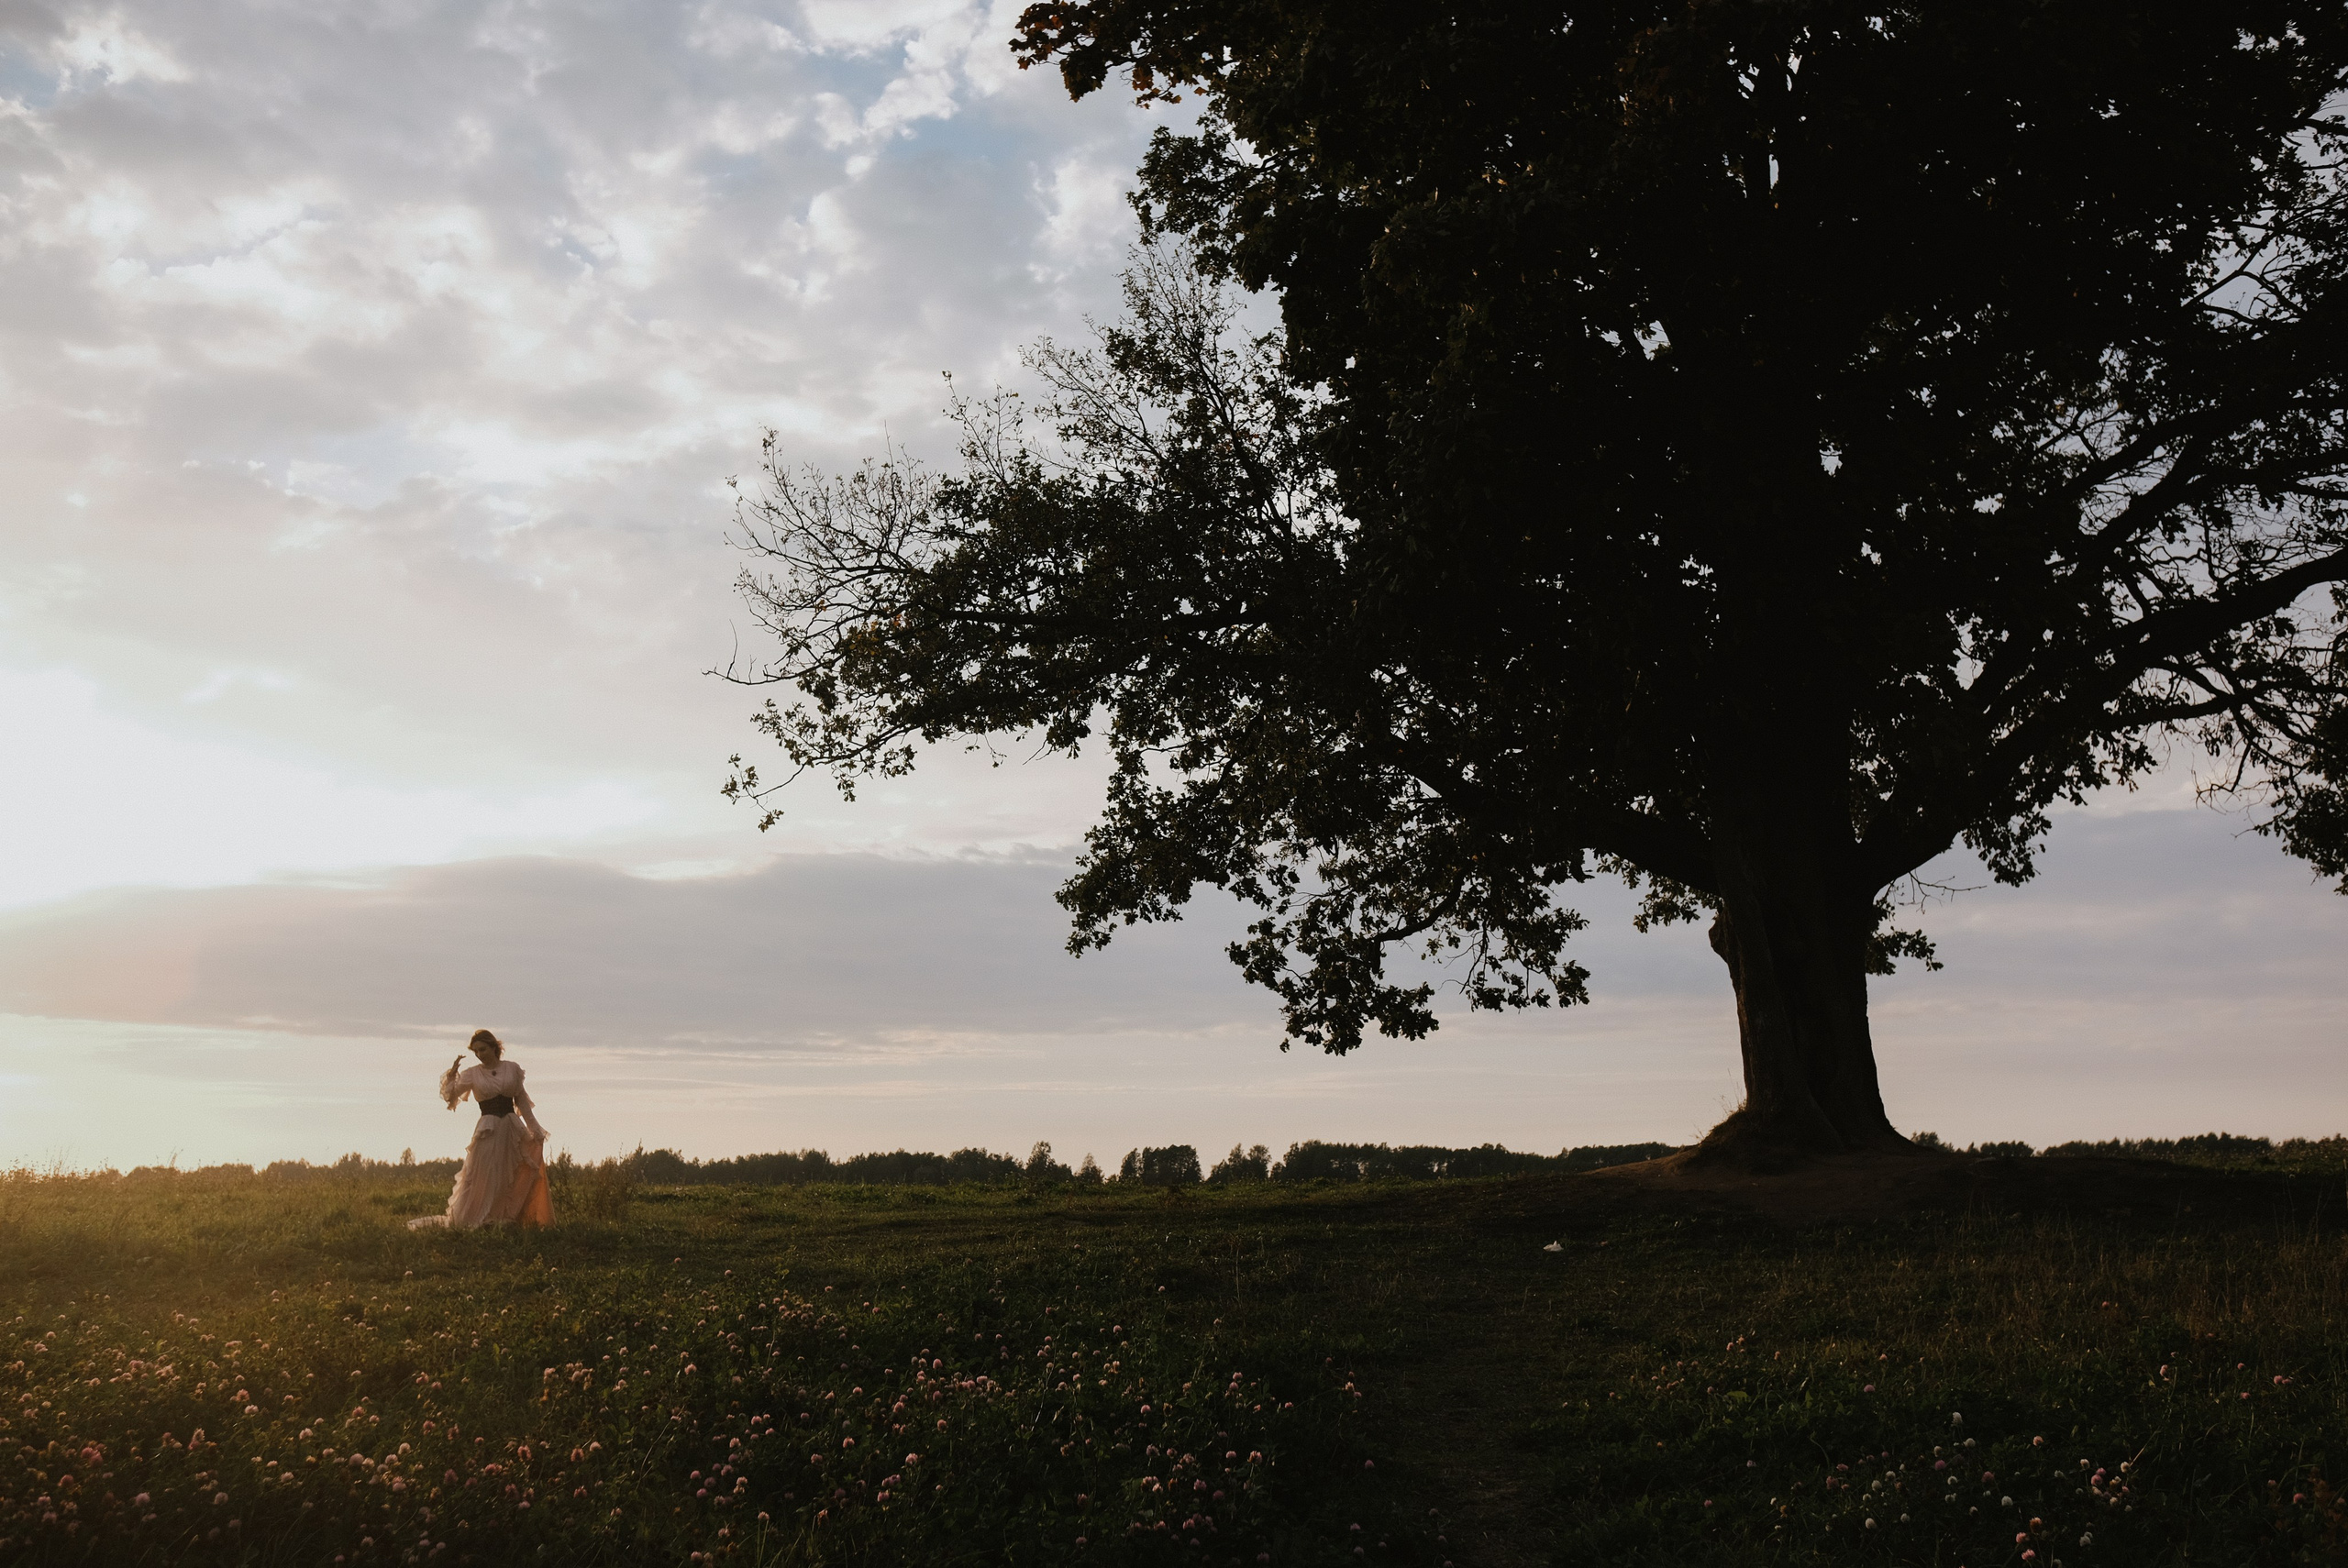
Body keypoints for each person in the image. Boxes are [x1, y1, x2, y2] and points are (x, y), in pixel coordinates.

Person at [408, 1029, 553, 1230]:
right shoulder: (472, 1074)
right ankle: (479, 1218)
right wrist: (452, 1074)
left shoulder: (512, 1069)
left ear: (495, 1047)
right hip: (488, 1129)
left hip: (511, 1128)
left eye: (482, 1049)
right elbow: (450, 1095)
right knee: (483, 1173)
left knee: (509, 1173)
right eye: (475, 1051)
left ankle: (504, 1217)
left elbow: (522, 1101)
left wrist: (535, 1129)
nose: (479, 1054)